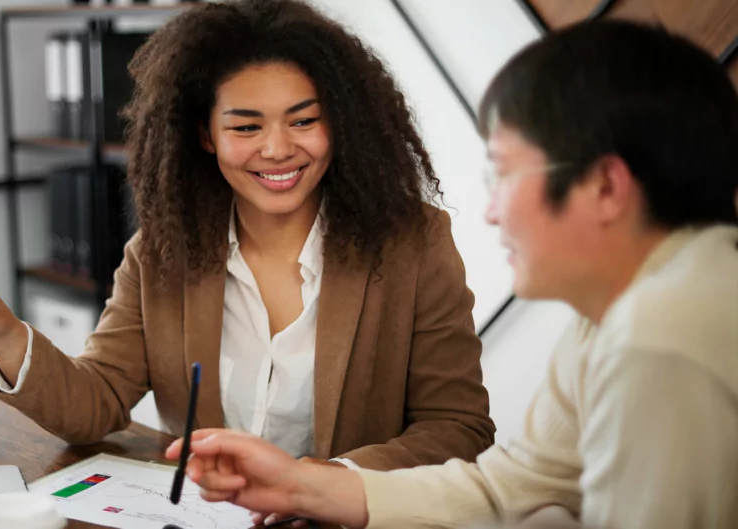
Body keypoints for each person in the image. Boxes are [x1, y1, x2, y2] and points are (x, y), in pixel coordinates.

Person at [167, 19, 738, 529]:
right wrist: (298, 485)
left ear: (605, 187)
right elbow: (512, 486)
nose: (490, 211)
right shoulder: (621, 315)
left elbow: (469, 441)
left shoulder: (659, 334)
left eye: (504, 174)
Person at [0, 0, 495, 472]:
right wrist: (4, 333)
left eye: (303, 120)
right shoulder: (162, 253)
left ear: (339, 123)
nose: (277, 149)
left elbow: (458, 424)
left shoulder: (413, 242)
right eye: (246, 126)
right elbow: (98, 402)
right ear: (206, 136)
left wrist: (327, 483)